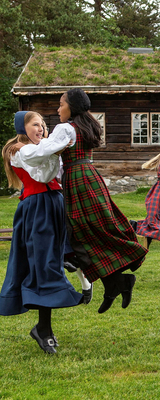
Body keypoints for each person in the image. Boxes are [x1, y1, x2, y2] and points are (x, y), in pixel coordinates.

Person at [58, 89, 147, 314]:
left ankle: (117, 283)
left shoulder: (68, 129)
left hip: (79, 180)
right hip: (84, 178)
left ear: (72, 107)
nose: (58, 109)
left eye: (61, 104)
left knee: (86, 233)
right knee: (87, 234)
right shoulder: (84, 126)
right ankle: (115, 285)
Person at [0, 111, 83, 354]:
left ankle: (46, 326)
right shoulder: (18, 151)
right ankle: (43, 329)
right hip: (37, 208)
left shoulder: (44, 148)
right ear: (22, 128)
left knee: (53, 262)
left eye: (43, 125)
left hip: (53, 204)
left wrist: (55, 146)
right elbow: (42, 173)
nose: (41, 128)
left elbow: (51, 172)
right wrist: (55, 145)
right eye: (35, 124)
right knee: (43, 265)